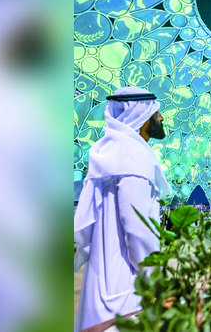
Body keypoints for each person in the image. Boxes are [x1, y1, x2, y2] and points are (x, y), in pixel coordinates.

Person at [74, 87, 172, 332]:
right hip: (125, 286)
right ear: (141, 116)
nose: (161, 117)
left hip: (101, 279)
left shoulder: (110, 152)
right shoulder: (133, 158)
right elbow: (138, 229)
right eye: (156, 112)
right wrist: (154, 280)